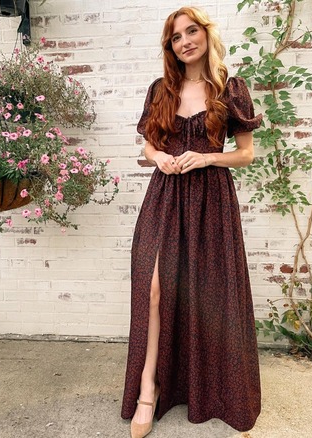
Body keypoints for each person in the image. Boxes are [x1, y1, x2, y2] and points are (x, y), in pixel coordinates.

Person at [121, 6, 262, 438]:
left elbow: (246, 153)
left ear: (205, 34)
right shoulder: (160, 89)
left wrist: (206, 156)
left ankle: (213, 390)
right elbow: (148, 147)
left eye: (191, 31)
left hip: (211, 202)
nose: (185, 41)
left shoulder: (230, 89)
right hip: (164, 198)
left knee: (207, 294)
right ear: (171, 47)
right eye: (176, 37)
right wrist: (160, 156)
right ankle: (149, 389)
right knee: (155, 288)